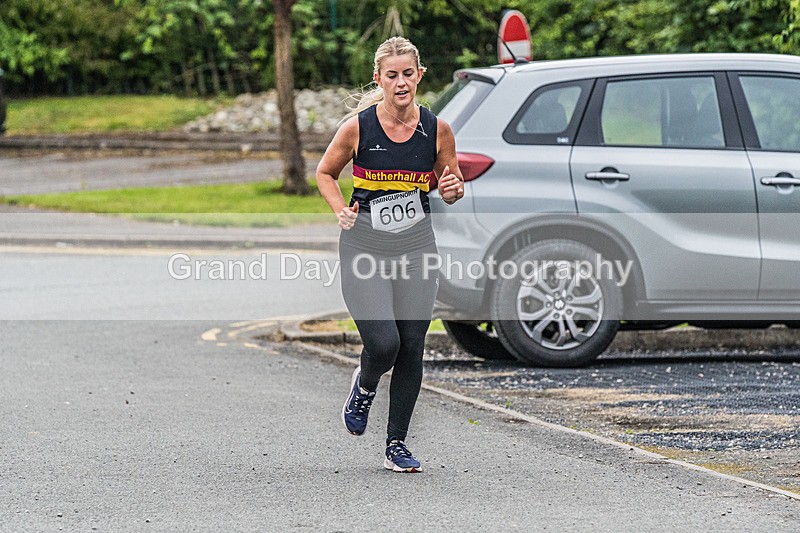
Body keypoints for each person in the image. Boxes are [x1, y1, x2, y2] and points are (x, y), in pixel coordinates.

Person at [316, 36, 464, 473]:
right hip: (365, 247)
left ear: (419, 75)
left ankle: (396, 444)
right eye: (392, 75)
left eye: (408, 74)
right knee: (384, 344)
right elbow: (325, 172)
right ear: (378, 79)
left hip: (417, 247)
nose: (401, 83)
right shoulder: (358, 128)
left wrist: (454, 188)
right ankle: (364, 385)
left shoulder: (437, 129)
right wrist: (340, 209)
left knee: (413, 347)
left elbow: (449, 183)